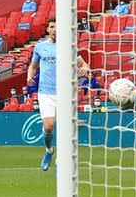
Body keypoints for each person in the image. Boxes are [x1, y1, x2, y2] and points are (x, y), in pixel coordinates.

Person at [27, 19, 89, 171]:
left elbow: (84, 64)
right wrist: (29, 76)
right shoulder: (40, 47)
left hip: (65, 94)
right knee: (48, 127)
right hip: (45, 93)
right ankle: (49, 150)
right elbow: (33, 66)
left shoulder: (69, 46)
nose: (55, 29)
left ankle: (59, 163)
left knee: (64, 130)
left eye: (58, 27)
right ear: (48, 29)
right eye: (52, 27)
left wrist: (85, 68)